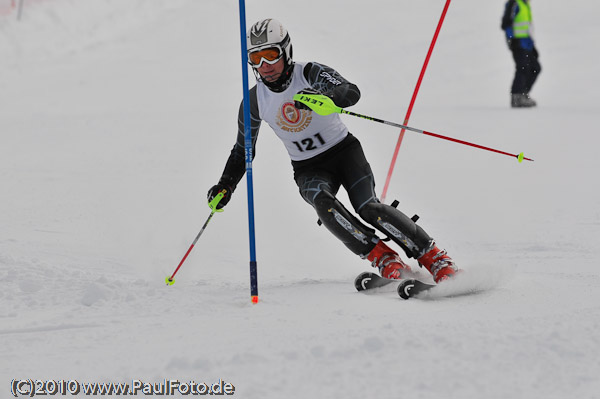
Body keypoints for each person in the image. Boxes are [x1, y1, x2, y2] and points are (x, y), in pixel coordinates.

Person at [207, 19, 458, 283]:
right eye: (255, 58)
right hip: (307, 167)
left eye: (271, 55)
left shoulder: (310, 73)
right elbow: (242, 151)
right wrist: (226, 185)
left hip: (344, 152)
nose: (264, 66)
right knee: (323, 204)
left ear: (286, 51)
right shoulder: (254, 101)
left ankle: (435, 258)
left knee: (368, 208)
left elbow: (350, 92)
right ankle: (384, 259)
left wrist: (327, 99)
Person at [501, 0, 541, 108]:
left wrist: (532, 46)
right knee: (523, 67)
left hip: (527, 43)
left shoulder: (525, 4)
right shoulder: (514, 3)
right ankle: (516, 96)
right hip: (518, 43)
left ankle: (523, 94)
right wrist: (511, 39)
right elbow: (506, 22)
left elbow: (527, 28)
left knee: (535, 68)